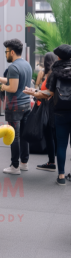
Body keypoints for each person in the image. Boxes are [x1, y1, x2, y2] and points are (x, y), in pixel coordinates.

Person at [0, 39, 32, 174]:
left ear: (12, 52)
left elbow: (12, 88)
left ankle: (15, 166)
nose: (5, 54)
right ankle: (24, 163)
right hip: (26, 105)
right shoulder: (26, 65)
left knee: (15, 136)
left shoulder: (13, 67)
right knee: (24, 136)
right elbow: (13, 81)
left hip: (15, 106)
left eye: (6, 52)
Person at [23, 52, 57, 172]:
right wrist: (34, 91)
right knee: (49, 136)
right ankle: (52, 161)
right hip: (47, 107)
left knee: (49, 135)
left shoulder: (50, 75)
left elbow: (47, 92)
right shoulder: (49, 74)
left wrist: (33, 92)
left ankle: (53, 163)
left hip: (48, 108)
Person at [45, 45, 71, 185]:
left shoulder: (55, 71)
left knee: (61, 144)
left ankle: (61, 176)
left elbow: (51, 92)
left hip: (60, 111)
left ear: (59, 57)